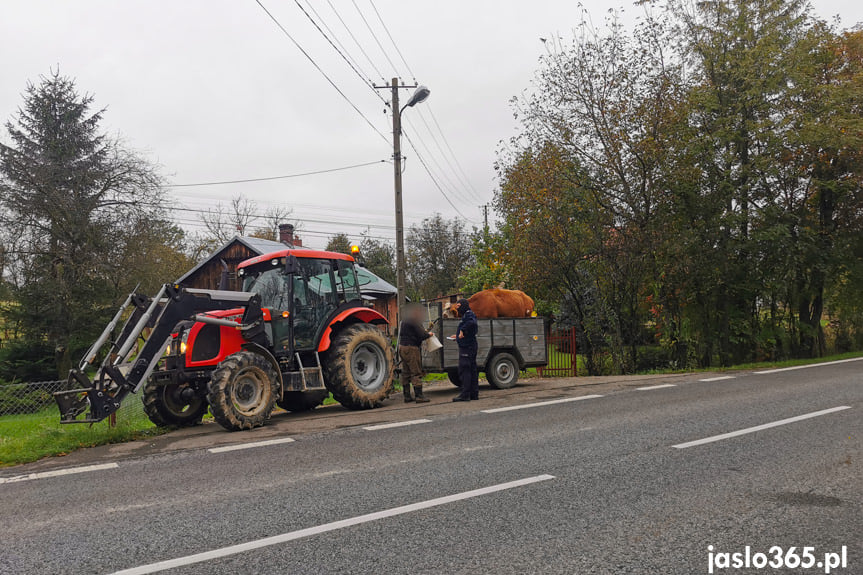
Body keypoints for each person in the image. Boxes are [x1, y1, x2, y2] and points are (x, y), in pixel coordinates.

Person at [399, 305, 433, 403]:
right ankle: (419, 396)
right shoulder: (414, 321)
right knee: (416, 372)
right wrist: (429, 335)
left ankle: (407, 396)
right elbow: (421, 335)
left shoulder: (405, 321)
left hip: (402, 347)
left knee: (406, 372)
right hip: (411, 348)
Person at [452, 298, 479, 401]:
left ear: (463, 305)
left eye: (458, 306)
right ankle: (474, 394)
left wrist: (462, 330)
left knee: (465, 370)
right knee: (472, 369)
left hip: (467, 347)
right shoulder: (466, 315)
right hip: (469, 345)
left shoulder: (469, 314)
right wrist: (457, 336)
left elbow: (472, 323)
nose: (457, 308)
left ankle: (465, 395)